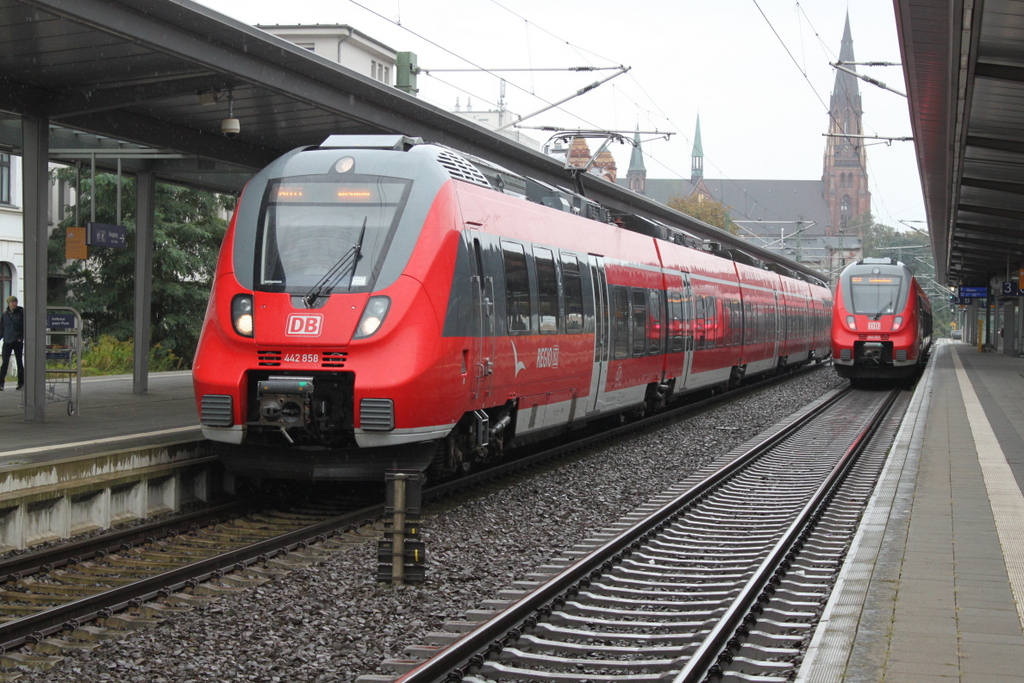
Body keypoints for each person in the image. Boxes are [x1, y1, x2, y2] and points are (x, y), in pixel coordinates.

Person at [0, 295, 24, 390]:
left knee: (19, 362)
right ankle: (1, 383)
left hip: (17, 340)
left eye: (15, 302)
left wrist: (21, 338)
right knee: (5, 362)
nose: (14, 303)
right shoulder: (5, 315)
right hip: (7, 340)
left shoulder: (21, 313)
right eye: (12, 302)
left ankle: (21, 383)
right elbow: (2, 328)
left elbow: (24, 327)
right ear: (9, 303)